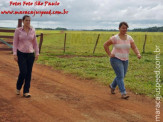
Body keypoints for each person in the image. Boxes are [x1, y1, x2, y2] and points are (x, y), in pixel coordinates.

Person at [104, 22, 141, 99]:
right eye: (123, 28)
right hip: (115, 59)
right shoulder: (115, 38)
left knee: (121, 76)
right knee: (120, 76)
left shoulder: (129, 38)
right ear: (119, 28)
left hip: (125, 59)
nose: (124, 29)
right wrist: (110, 54)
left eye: (126, 28)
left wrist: (138, 54)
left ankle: (112, 86)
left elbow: (134, 47)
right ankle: (123, 93)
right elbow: (105, 45)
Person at [13, 15, 39, 98]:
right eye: (26, 20)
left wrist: (37, 53)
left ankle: (26, 91)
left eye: (29, 20)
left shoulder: (33, 30)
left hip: (30, 54)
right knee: (23, 72)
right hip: (21, 53)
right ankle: (18, 87)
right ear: (23, 21)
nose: (28, 22)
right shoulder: (18, 30)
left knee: (29, 73)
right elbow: (15, 42)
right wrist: (15, 53)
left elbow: (35, 42)